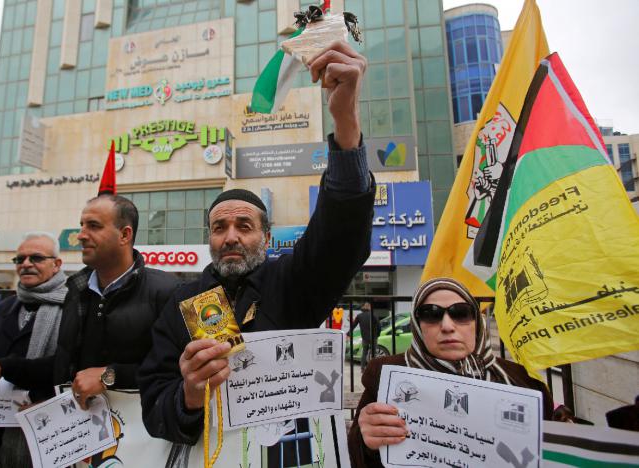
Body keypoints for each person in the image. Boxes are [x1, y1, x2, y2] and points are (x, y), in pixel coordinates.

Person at [138, 40, 374, 445]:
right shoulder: (183, 304)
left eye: (244, 226)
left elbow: (340, 238)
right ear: (209, 238)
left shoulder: (292, 283)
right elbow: (154, 407)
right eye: (219, 228)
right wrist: (190, 394)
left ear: (266, 237)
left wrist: (345, 124)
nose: (231, 237)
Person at [0, 195, 179, 411]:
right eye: (82, 226)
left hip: (141, 434)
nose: (81, 236)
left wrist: (110, 376)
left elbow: (177, 369)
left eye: (94, 226)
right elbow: (64, 367)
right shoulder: (76, 292)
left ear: (124, 234)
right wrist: (3, 367)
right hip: (83, 433)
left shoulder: (166, 292)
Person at [348, 277, 554, 467]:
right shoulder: (385, 377)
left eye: (461, 313)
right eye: (432, 314)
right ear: (418, 327)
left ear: (478, 322)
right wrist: (367, 441)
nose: (447, 326)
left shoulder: (521, 381)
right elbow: (357, 457)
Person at [0, 232, 68, 468]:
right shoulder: (0, 312)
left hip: (50, 430)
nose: (26, 264)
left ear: (56, 265)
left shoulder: (75, 308)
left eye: (36, 258)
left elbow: (70, 366)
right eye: (20, 259)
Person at [349, 302, 380, 369]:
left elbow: (353, 325)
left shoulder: (359, 316)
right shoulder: (374, 315)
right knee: (373, 354)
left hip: (364, 338)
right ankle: (373, 367)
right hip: (373, 337)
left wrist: (348, 333)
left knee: (364, 353)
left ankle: (362, 368)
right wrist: (378, 334)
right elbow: (379, 326)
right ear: (369, 307)